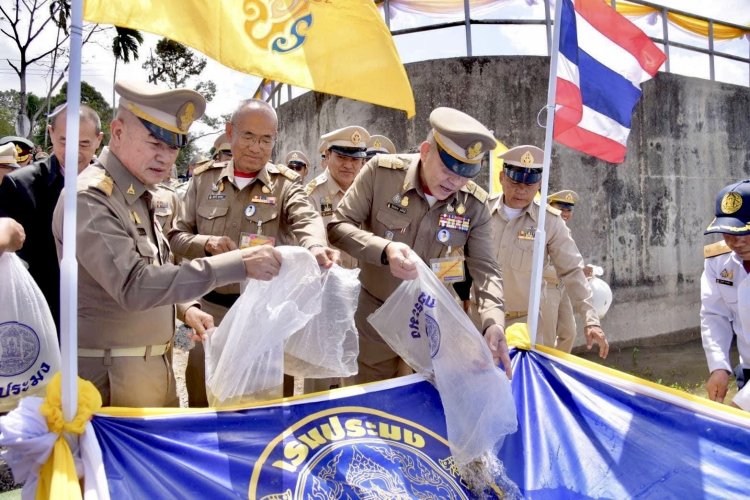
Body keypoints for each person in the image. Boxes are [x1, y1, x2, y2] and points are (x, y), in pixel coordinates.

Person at [51, 81, 283, 408]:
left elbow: (157, 269)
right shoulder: (89, 198)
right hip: (112, 380)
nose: (165, 157)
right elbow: (134, 285)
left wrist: (185, 308)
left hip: (153, 371)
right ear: (117, 132)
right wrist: (239, 263)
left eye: (173, 146)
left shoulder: (137, 194)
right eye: (154, 142)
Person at [169, 98, 339, 406]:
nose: (256, 147)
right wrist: (206, 243)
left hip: (263, 318)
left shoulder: (285, 185)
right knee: (201, 400)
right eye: (248, 136)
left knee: (265, 406)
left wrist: (314, 246)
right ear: (230, 132)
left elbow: (307, 218)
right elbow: (176, 238)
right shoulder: (203, 180)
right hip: (209, 312)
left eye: (266, 139)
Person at [328, 107, 510, 383]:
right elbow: (338, 227)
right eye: (449, 169)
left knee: (424, 408)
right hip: (376, 318)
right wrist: (385, 250)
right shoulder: (381, 174)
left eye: (466, 175)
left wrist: (493, 321)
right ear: (425, 151)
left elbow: (486, 269)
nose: (456, 182)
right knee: (374, 405)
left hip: (432, 324)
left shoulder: (474, 204)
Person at [488, 145, 608, 358]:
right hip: (480, 321)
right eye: (515, 181)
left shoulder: (549, 222)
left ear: (540, 184)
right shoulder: (481, 211)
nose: (522, 189)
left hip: (523, 326)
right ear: (501, 178)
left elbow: (572, 270)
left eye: (530, 183)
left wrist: (591, 320)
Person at [0, 104, 104, 334]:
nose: (73, 151)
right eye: (64, 141)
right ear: (51, 133)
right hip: (44, 314)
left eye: (84, 143)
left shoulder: (114, 186)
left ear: (99, 140)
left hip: (102, 316)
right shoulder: (22, 185)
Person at [700, 179, 750, 411]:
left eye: (746, 232)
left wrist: (742, 404)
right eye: (728, 233)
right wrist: (719, 366)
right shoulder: (717, 261)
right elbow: (714, 315)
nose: (736, 242)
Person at [306, 126, 370, 271]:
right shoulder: (311, 195)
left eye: (355, 159)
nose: (348, 165)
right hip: (328, 280)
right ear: (327, 156)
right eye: (341, 157)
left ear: (363, 161)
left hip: (364, 282)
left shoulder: (368, 191)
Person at [540, 189, 583, 352]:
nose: (565, 213)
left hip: (562, 288)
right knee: (548, 340)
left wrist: (581, 270)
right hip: (548, 288)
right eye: (561, 208)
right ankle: (545, 374)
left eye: (569, 209)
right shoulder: (542, 230)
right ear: (550, 207)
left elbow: (569, 259)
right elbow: (540, 265)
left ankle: (558, 369)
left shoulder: (564, 231)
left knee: (569, 333)